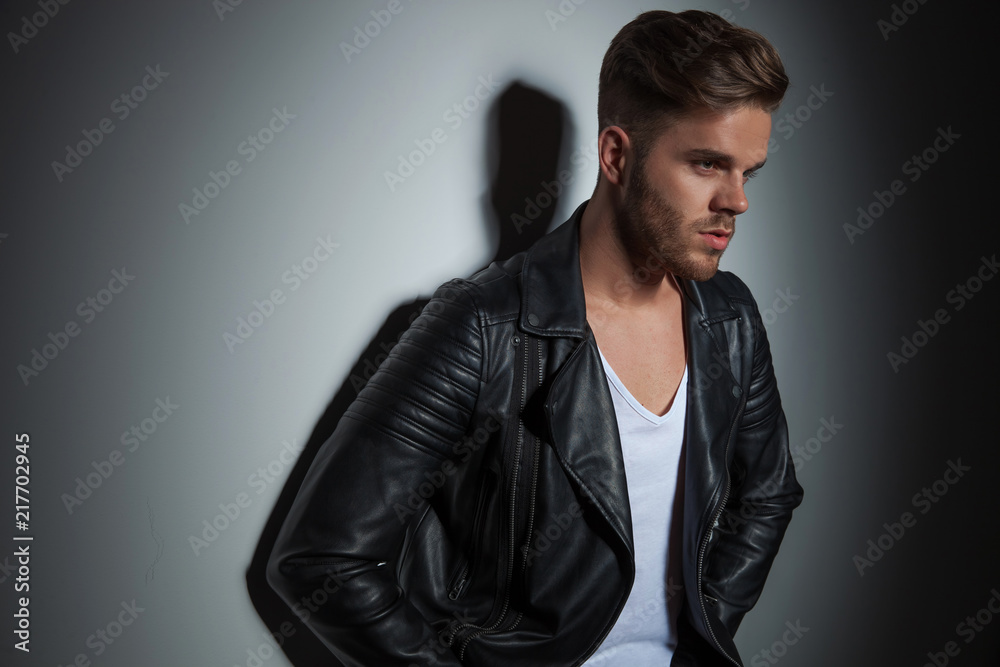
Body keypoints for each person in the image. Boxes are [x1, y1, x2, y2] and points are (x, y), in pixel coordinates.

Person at [266, 9, 803, 666]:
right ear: (616, 155)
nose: (736, 200)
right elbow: (321, 558)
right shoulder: (485, 325)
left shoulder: (729, 316)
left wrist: (703, 627)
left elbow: (768, 493)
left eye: (748, 172)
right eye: (707, 164)